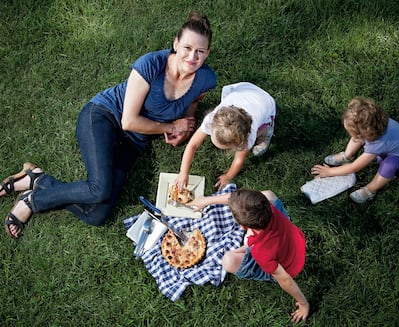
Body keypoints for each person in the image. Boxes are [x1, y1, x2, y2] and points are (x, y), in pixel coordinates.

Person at [2, 11, 217, 239]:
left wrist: (185, 122)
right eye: (187, 47)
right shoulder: (150, 65)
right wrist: (170, 127)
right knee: (99, 188)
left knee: (97, 215)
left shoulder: (205, 78)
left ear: (207, 53)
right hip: (104, 116)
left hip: (134, 141)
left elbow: (193, 101)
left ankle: (38, 180)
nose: (192, 56)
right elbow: (129, 120)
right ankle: (32, 200)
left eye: (200, 51)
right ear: (176, 43)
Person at [188, 188, 309, 323]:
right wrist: (206, 201)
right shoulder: (267, 205)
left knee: (228, 260)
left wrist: (303, 304)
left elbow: (285, 280)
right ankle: (249, 243)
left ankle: (248, 245)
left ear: (243, 227)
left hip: (290, 265)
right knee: (269, 193)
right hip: (295, 239)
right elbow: (237, 199)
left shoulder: (262, 253)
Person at [311, 96, 399, 203]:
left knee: (389, 164)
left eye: (351, 131)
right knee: (362, 138)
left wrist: (330, 171)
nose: (350, 134)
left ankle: (370, 189)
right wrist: (356, 137)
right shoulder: (378, 122)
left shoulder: (378, 144)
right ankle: (347, 155)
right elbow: (358, 137)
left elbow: (354, 168)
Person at [176, 82, 276, 191]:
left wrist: (228, 176)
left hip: (265, 103)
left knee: (260, 129)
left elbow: (239, 160)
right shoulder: (211, 119)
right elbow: (193, 145)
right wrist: (183, 172)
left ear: (238, 143)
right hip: (244, 90)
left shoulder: (248, 136)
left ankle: (266, 132)